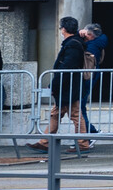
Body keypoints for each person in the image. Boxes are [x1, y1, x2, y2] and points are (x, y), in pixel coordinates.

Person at [31, 17, 91, 154]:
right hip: (68, 86)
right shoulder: (74, 42)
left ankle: (82, 144)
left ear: (64, 29)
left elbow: (66, 67)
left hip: (68, 86)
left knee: (74, 115)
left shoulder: (72, 44)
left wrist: (54, 84)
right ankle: (45, 142)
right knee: (57, 113)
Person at [81, 22, 108, 135]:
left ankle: (89, 133)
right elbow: (103, 36)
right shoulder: (98, 42)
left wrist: (78, 35)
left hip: (86, 77)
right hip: (90, 76)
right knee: (79, 108)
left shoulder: (91, 45)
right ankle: (89, 132)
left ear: (90, 35)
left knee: (79, 107)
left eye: (86, 34)